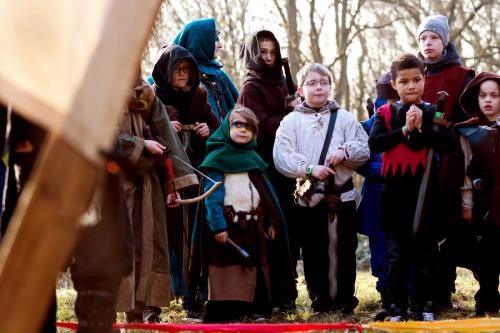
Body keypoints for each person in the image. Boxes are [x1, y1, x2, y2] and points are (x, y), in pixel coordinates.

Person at [273, 63, 369, 314]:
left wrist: (344, 151)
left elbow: (363, 149)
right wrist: (309, 169)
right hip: (309, 195)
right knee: (314, 251)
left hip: (341, 196)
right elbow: (281, 156)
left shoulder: (345, 118)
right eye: (312, 83)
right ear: (301, 89)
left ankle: (344, 302)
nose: (319, 88)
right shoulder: (290, 121)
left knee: (344, 251)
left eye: (323, 83)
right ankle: (322, 302)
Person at [368, 53, 455, 322]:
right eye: (404, 81)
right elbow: (375, 144)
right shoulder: (384, 113)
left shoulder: (434, 111)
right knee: (397, 255)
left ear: (424, 79)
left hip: (425, 193)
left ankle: (423, 306)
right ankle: (398, 307)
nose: (411, 86)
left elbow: (448, 143)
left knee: (425, 254)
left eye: (416, 80)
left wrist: (422, 129)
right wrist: (405, 129)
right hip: (394, 195)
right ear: (394, 84)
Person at [115, 75, 198, 323]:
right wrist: (140, 145)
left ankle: (140, 310)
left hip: (146, 184)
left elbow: (165, 136)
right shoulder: (96, 89)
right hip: (108, 182)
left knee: (147, 245)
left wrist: (173, 185)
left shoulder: (145, 94)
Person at [199, 107, 294, 322]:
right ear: (226, 128)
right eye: (237, 125)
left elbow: (267, 197)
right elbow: (211, 198)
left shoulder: (254, 159)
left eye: (248, 127)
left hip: (254, 228)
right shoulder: (217, 159)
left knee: (256, 268)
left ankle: (256, 309)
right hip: (227, 227)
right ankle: (227, 312)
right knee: (227, 273)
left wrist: (272, 221)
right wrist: (218, 226)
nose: (243, 130)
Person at [237, 29, 299, 312]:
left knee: (289, 231)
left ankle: (287, 295)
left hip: (285, 165)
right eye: (263, 52)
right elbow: (258, 128)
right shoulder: (251, 86)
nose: (270, 57)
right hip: (263, 168)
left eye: (273, 51)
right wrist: (291, 113)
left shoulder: (279, 81)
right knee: (271, 231)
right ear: (254, 53)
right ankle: (271, 298)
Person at [416, 15, 475, 310]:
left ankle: (442, 294)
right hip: (414, 164)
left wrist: (445, 125)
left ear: (444, 41)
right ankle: (422, 291)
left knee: (447, 228)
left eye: (434, 38)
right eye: (423, 38)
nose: (428, 43)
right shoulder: (409, 73)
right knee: (419, 228)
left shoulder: (461, 76)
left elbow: (469, 121)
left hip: (449, 161)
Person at [151, 44, 218, 303]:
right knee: (168, 234)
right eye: (178, 70)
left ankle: (192, 290)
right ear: (167, 71)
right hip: (165, 176)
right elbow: (147, 131)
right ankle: (166, 291)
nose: (183, 75)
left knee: (194, 231)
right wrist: (166, 128)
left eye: (187, 70)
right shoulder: (154, 97)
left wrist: (207, 130)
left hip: (197, 174)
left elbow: (218, 129)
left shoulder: (199, 96)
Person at [455, 72, 500, 316]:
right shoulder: (469, 132)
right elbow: (465, 173)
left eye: (494, 95)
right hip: (484, 204)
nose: (488, 100)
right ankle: (488, 302)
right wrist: (467, 204)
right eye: (483, 95)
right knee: (487, 256)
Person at [357, 72, 399, 321]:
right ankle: (387, 297)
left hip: (407, 196)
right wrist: (386, 171)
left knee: (407, 249)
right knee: (380, 251)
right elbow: (360, 160)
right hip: (377, 196)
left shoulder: (415, 118)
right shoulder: (367, 126)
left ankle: (408, 297)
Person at [173, 18, 239, 123]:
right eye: (215, 39)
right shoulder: (170, 76)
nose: (220, 45)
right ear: (200, 40)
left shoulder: (219, 75)